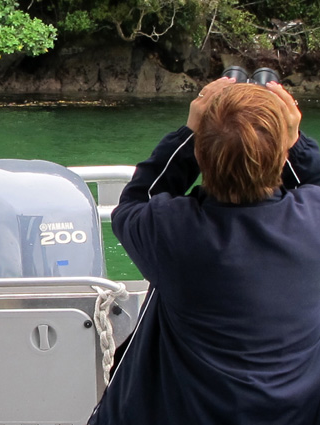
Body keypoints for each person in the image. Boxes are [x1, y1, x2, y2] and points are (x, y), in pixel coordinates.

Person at [88, 78, 320, 425]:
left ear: (198, 154)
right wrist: (295, 145)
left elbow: (136, 200)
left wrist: (188, 134)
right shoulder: (313, 220)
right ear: (285, 151)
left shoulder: (171, 230)